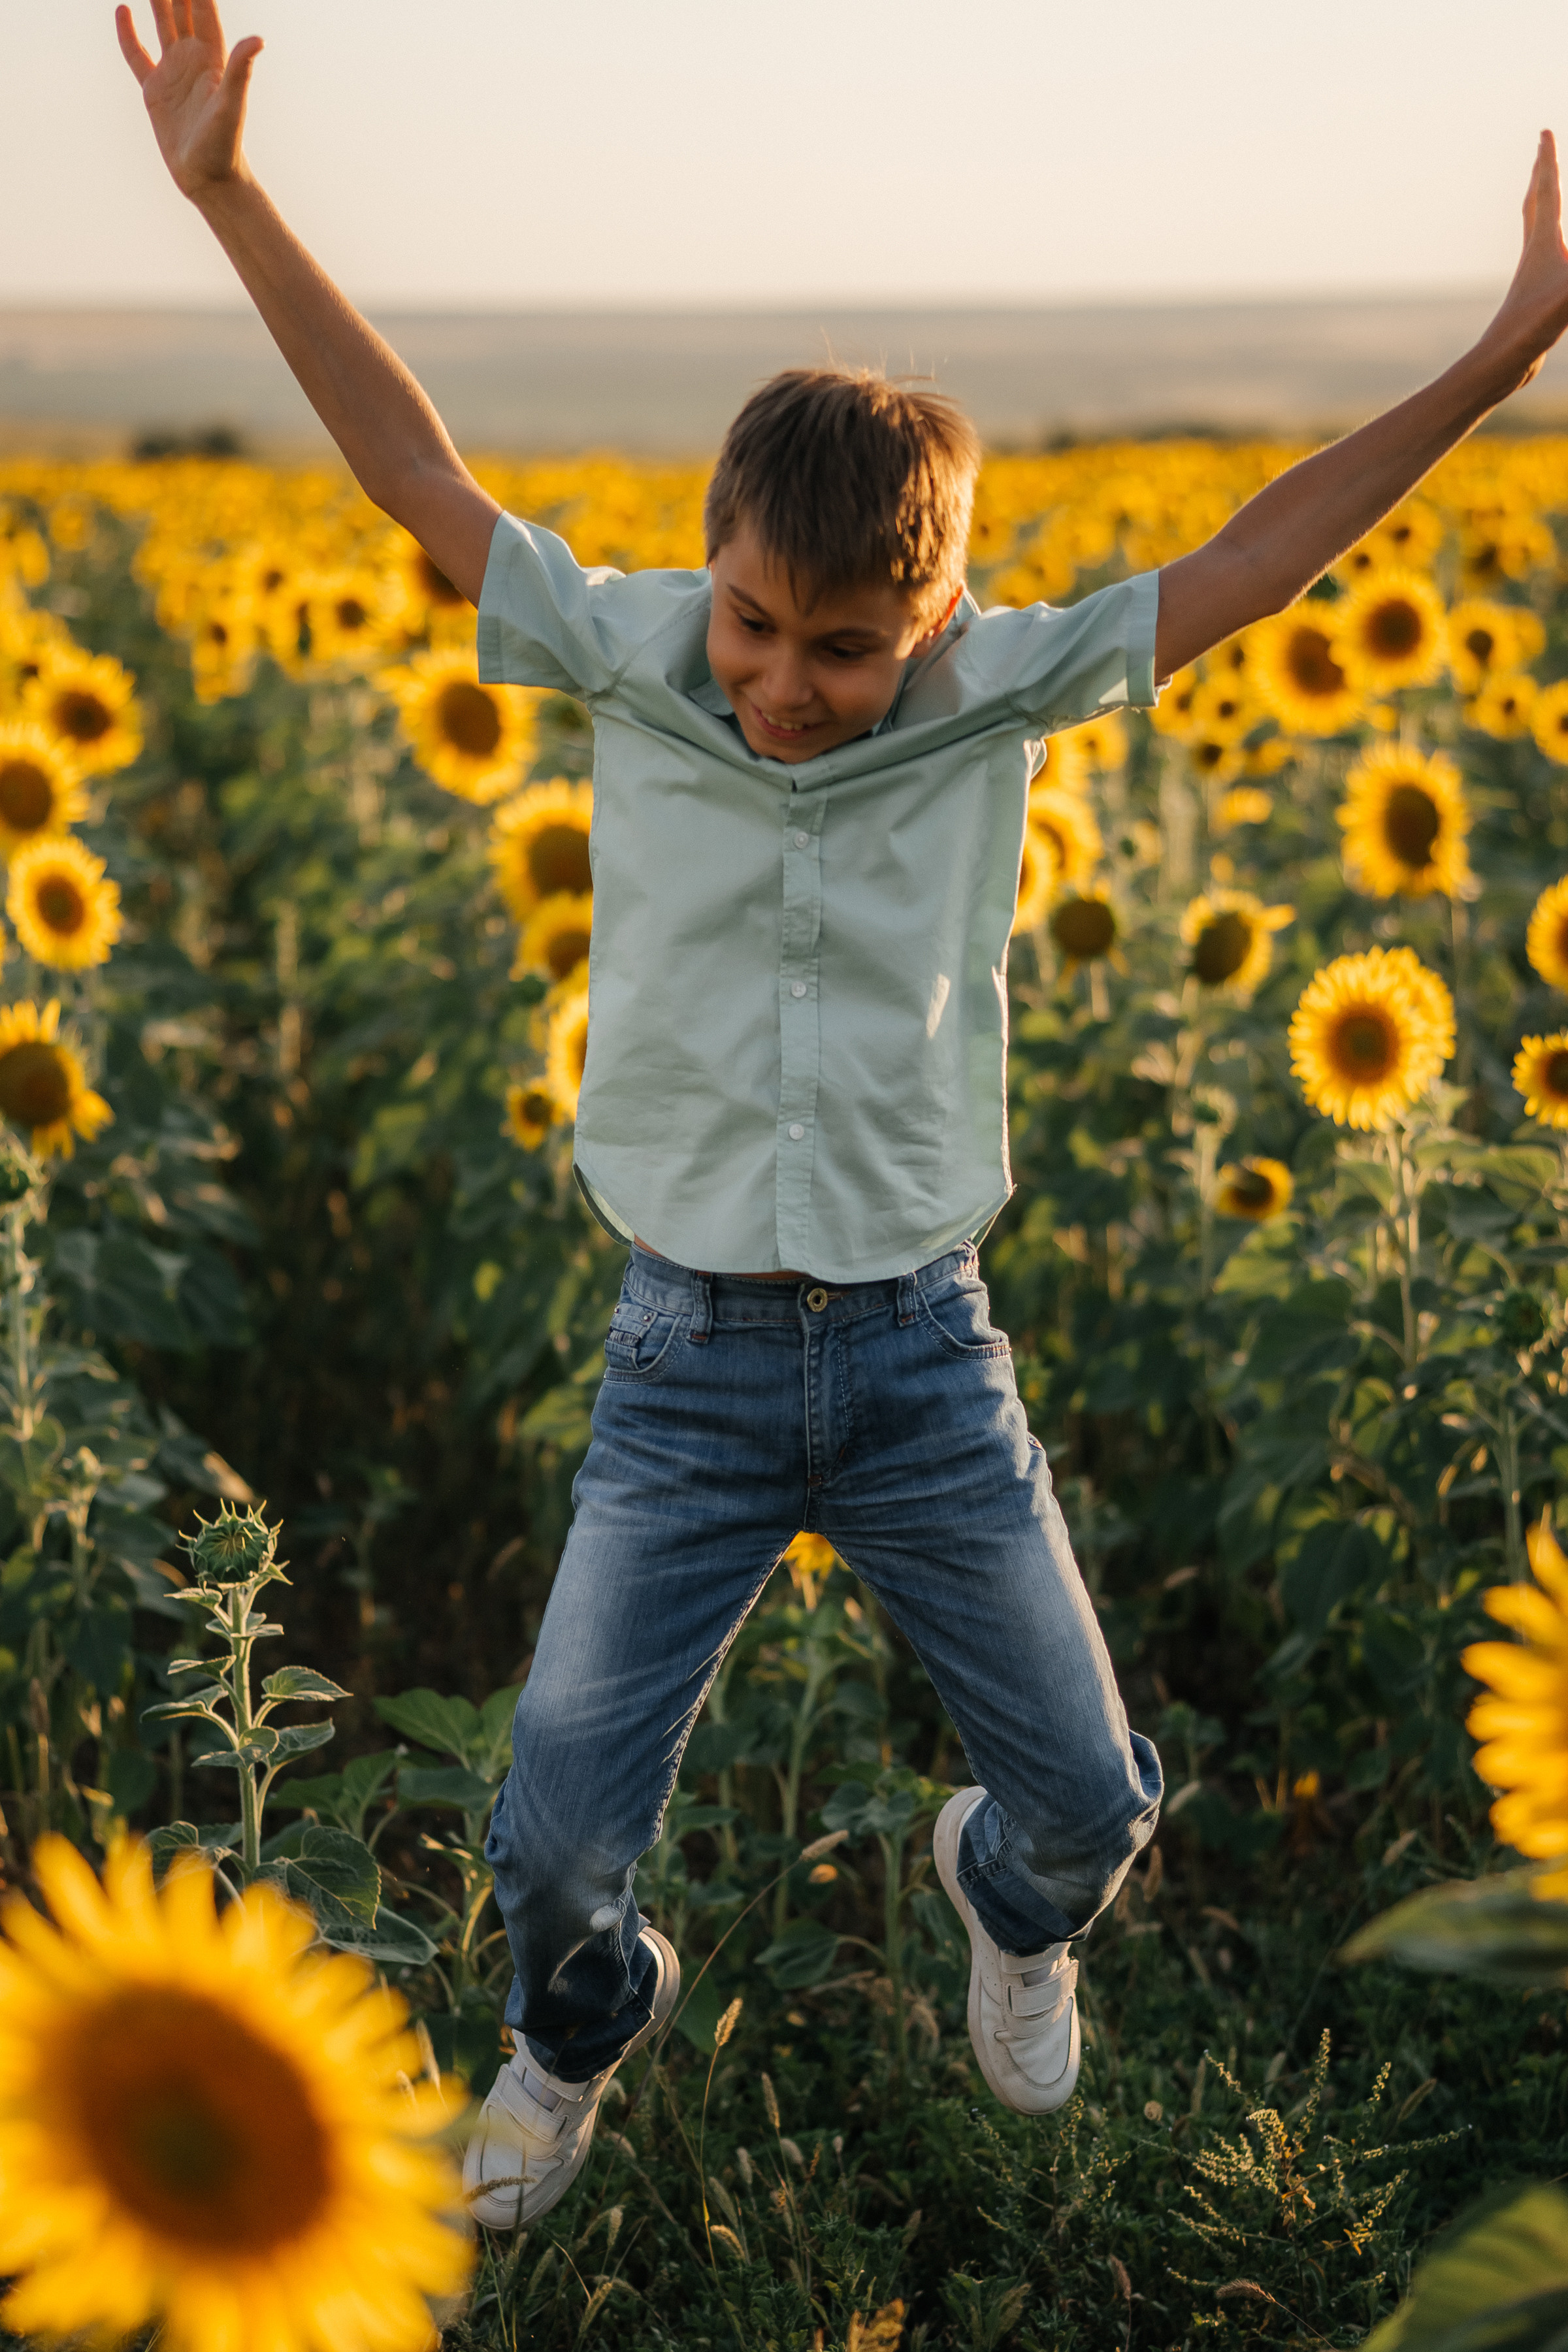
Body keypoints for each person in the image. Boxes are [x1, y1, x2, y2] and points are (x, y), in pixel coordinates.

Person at [118, 0, 1568, 2234]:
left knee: (1091, 1802)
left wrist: (1494, 361)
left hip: (917, 1356)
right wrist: (227, 193)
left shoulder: (992, 696)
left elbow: (1260, 560)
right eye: (760, 623)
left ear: (943, 615)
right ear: (709, 567)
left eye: (851, 646)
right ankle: (575, 2029)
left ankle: (1000, 1895)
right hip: (686, 1363)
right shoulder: (625, 657)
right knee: (555, 1838)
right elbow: (415, 480)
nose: (788, 686)